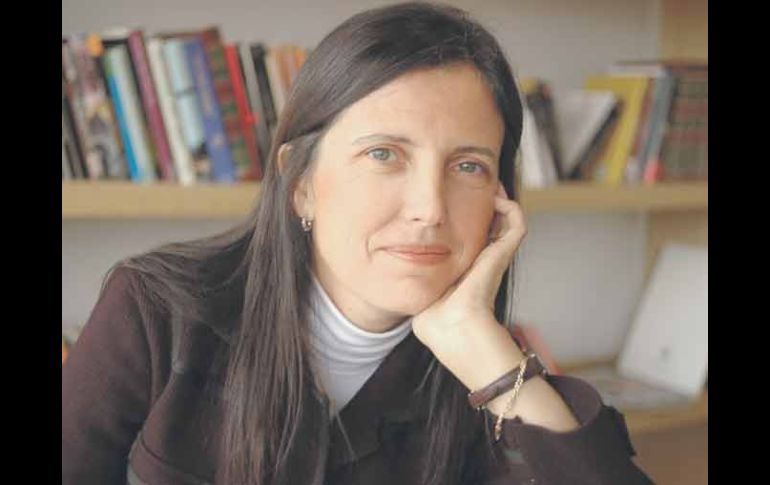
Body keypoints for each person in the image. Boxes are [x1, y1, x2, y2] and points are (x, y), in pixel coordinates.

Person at [62, 3, 653, 484]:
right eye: (383, 154)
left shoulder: (483, 370)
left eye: (468, 166)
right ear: (301, 185)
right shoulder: (154, 311)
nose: (429, 208)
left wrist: (488, 360)